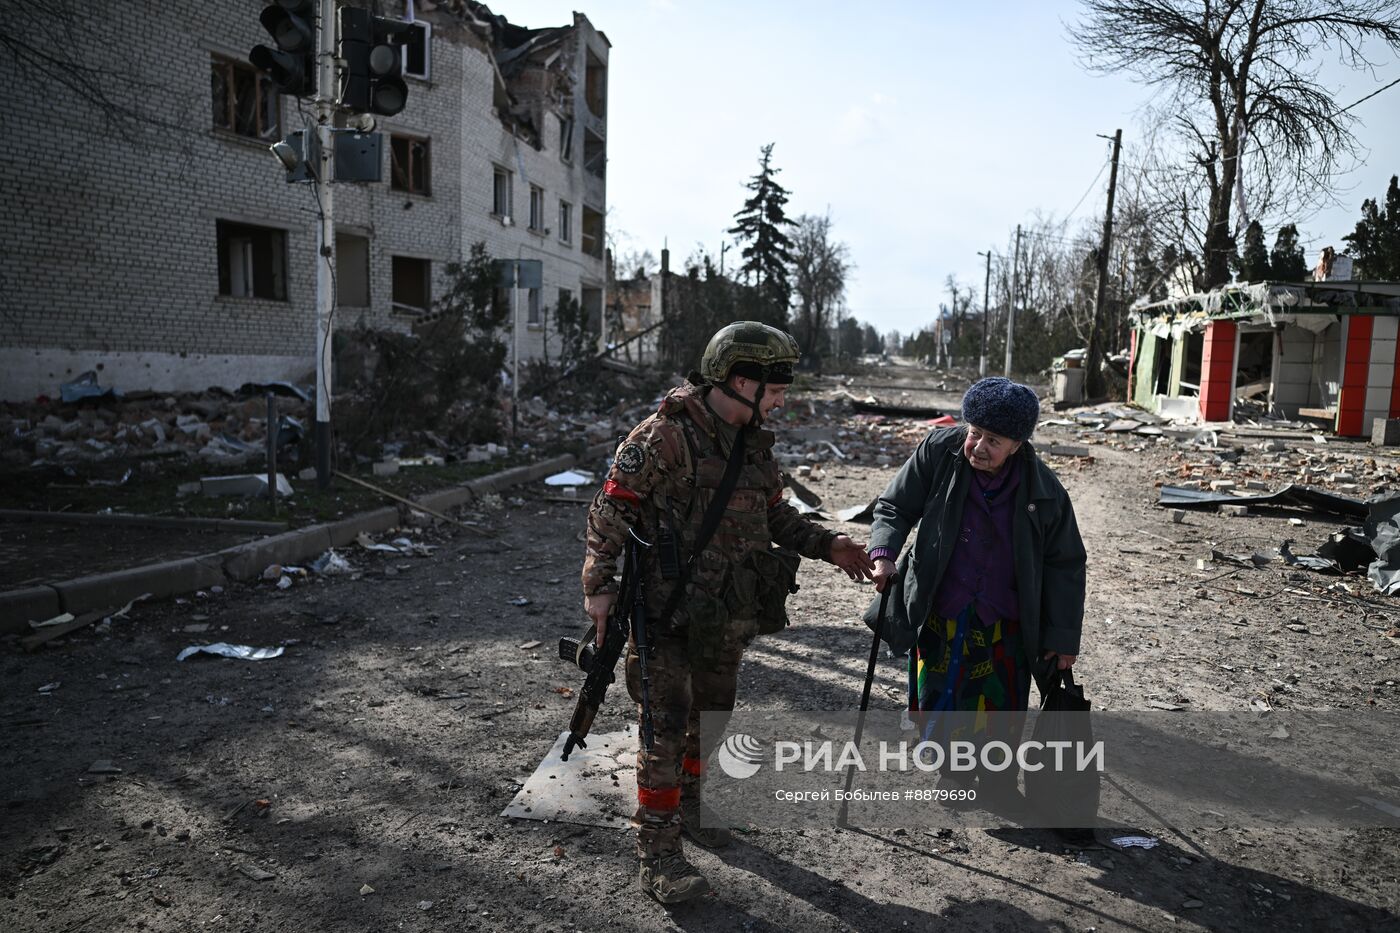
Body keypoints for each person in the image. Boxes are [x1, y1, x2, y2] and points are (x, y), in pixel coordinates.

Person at [582, 321, 875, 904]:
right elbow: (610, 509)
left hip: (724, 612)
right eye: (774, 389)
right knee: (663, 729)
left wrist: (830, 544)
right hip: (663, 611)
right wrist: (599, 586)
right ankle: (660, 854)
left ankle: (693, 803)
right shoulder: (665, 437)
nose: (781, 399)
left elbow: (775, 517)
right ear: (740, 380)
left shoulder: (754, 443)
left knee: (711, 714)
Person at [866, 376, 1085, 806]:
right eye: (975, 433)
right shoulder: (940, 452)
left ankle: (999, 780)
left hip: (1004, 615)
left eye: (994, 440)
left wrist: (1062, 638)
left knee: (999, 703)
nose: (979, 447)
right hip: (940, 604)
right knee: (940, 696)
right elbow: (895, 505)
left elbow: (1066, 564)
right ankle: (953, 772)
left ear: (1018, 444)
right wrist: (884, 552)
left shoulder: (1044, 491)